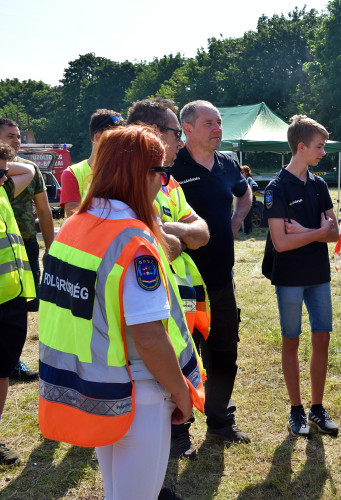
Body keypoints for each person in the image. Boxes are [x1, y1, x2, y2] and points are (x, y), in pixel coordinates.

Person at [37, 125, 205, 500]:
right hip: (139, 393)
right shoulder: (132, 241)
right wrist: (181, 393)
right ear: (137, 175)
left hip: (97, 388)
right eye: (160, 174)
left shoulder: (73, 228)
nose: (162, 185)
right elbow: (148, 336)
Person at [126, 98, 212, 462]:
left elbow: (202, 232)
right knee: (153, 376)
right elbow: (157, 244)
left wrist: (165, 231)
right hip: (143, 302)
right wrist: (174, 238)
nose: (181, 142)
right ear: (153, 132)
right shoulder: (125, 180)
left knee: (183, 357)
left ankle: (178, 434)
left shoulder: (170, 182)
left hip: (180, 299)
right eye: (177, 133)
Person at [170, 100, 252, 452]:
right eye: (209, 123)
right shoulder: (172, 164)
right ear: (186, 128)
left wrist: (236, 221)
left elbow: (245, 194)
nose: (218, 128)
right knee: (181, 354)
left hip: (221, 279)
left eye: (219, 122)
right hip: (181, 283)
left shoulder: (228, 164)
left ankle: (220, 420)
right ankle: (178, 428)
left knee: (224, 353)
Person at [264, 115, 339, 437]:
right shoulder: (276, 188)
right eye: (319, 147)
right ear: (301, 146)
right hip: (290, 277)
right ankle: (296, 410)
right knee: (291, 341)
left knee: (322, 337)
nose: (323, 152)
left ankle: (317, 408)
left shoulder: (319, 184)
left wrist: (308, 231)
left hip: (318, 275)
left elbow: (334, 232)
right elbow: (281, 242)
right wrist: (319, 232)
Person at [0, 118, 53, 380]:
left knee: (23, 308)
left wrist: (50, 247)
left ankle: (13, 361)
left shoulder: (30, 168)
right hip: (4, 250)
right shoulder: (10, 171)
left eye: (18, 136)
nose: (17, 141)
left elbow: (43, 210)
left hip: (25, 246)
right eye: (10, 136)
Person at [0, 141, 35, 465]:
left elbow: (28, 169)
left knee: (2, 370)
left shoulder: (2, 188)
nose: (2, 177)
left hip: (11, 298)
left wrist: (3, 163)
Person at [60, 109, 124, 217]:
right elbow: (73, 216)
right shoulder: (72, 173)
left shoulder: (126, 171)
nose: (122, 142)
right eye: (116, 137)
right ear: (98, 137)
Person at [240, 165, 259, 234]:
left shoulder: (249, 179)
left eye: (242, 172)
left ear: (246, 173)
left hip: (251, 199)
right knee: (245, 215)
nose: (241, 174)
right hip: (246, 199)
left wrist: (250, 192)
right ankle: (247, 230)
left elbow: (255, 186)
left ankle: (247, 231)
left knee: (247, 215)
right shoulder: (243, 180)